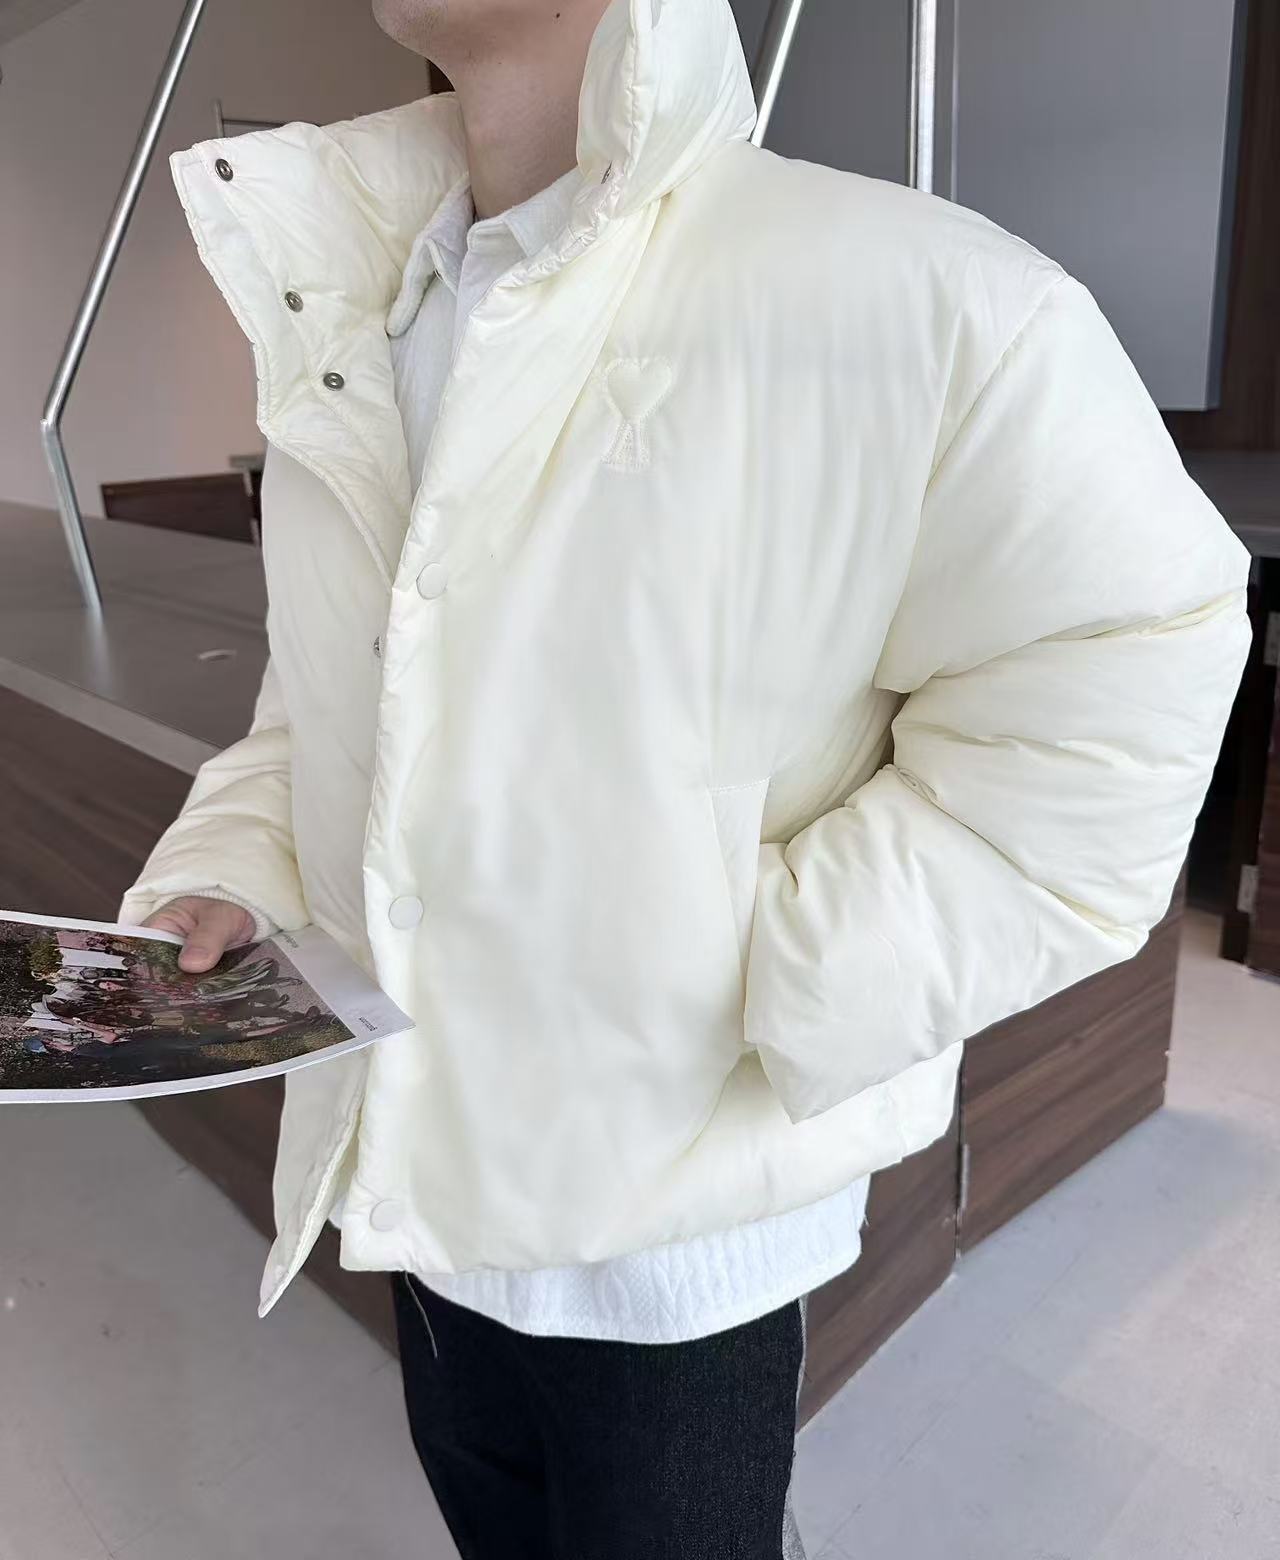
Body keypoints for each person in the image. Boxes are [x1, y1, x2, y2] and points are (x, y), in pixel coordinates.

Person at [120, 0, 1252, 1553]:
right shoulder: (367, 306)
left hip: (681, 1250)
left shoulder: (921, 298)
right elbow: (331, 702)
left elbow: (1128, 660)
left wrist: (782, 972)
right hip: (419, 1193)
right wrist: (232, 875)